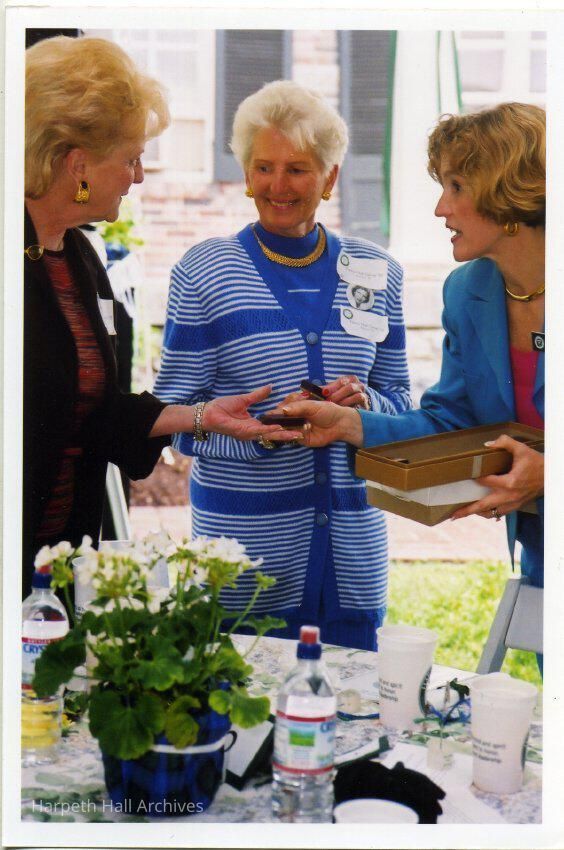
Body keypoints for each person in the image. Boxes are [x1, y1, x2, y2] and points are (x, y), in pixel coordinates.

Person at [23, 37, 301, 594]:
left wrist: (200, 416)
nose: (139, 176)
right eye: (131, 158)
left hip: (57, 571)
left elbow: (92, 415)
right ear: (78, 164)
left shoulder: (78, 259)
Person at [155, 80, 411, 650]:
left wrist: (364, 408)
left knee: (350, 703)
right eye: (263, 167)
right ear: (246, 174)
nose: (277, 185)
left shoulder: (378, 273)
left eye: (297, 169)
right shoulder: (204, 273)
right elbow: (173, 418)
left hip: (352, 562)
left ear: (330, 177)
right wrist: (263, 435)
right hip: (242, 567)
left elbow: (402, 401)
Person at [283, 102, 545, 594]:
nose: (441, 208)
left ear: (507, 190)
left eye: (457, 187)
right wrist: (349, 423)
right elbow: (451, 423)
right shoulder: (467, 292)